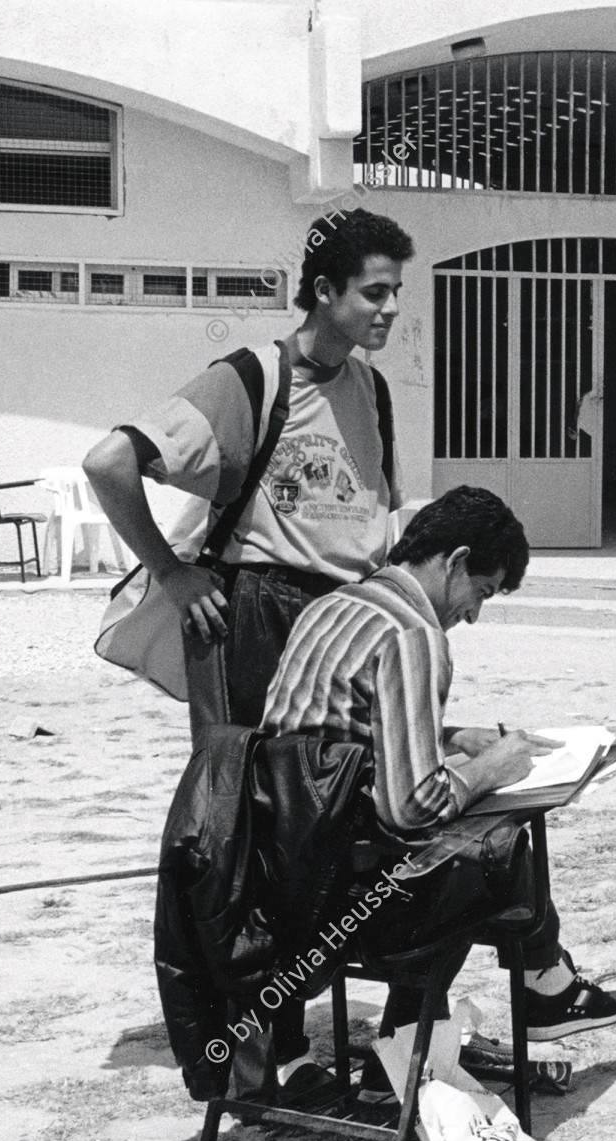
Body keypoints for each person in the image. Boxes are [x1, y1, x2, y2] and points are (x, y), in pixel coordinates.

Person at [259, 485, 616, 1098]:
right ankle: (521, 993)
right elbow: (410, 807)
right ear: (455, 560)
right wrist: (494, 767)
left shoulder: (330, 608)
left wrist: (449, 736)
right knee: (487, 850)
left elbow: (332, 739)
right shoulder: (413, 634)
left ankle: (543, 980)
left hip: (278, 874)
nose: (473, 615)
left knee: (470, 842)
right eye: (481, 592)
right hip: (348, 900)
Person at [84, 208, 415, 747]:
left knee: (340, 793)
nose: (392, 308)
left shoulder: (372, 390)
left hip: (349, 617)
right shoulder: (253, 378)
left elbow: (377, 521)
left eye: (397, 291)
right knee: (248, 792)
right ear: (326, 290)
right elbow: (108, 463)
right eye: (376, 293)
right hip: (264, 616)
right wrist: (170, 573)